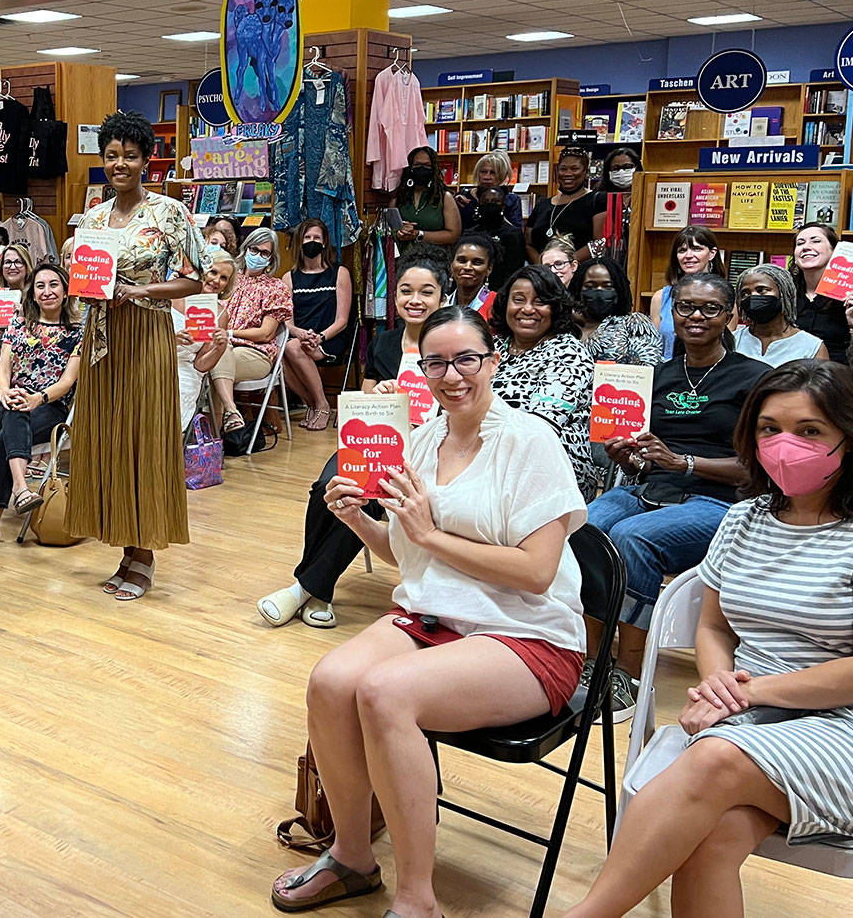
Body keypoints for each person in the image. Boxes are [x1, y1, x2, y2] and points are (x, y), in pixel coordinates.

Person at [270, 305, 587, 918]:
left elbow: (537, 571)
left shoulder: (529, 440)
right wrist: (359, 520)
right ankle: (352, 856)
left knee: (386, 693)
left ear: (493, 361)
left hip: (524, 632)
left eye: (465, 358)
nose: (451, 374)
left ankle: (419, 898)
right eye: (436, 361)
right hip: (436, 618)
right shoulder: (418, 439)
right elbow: (408, 557)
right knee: (330, 681)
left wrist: (431, 534)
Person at [562, 359, 853, 918]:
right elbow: (715, 626)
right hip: (749, 713)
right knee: (712, 838)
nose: (785, 444)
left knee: (713, 762)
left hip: (835, 724)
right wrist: (718, 680)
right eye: (770, 429)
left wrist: (744, 693)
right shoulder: (743, 519)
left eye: (810, 431)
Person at [586, 272, 768, 719]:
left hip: (722, 500)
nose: (696, 317)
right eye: (685, 307)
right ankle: (593, 661)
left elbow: (759, 469)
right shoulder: (657, 376)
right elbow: (646, 460)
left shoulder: (755, 378)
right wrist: (628, 458)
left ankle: (628, 674)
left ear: (731, 316)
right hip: (654, 487)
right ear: (673, 313)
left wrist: (683, 462)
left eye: (710, 308)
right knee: (583, 524)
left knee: (634, 537)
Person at [259, 257, 452, 630]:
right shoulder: (384, 343)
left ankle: (308, 589)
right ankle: (316, 587)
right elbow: (363, 411)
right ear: (393, 297)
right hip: (378, 443)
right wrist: (382, 396)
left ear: (443, 298)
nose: (415, 299)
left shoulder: (449, 344)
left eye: (426, 292)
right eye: (406, 291)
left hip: (431, 447)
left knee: (369, 494)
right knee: (330, 488)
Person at [69, 111, 207, 602]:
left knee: (144, 437)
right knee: (109, 438)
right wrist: (85, 288)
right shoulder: (92, 217)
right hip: (102, 337)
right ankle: (125, 548)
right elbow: (86, 280)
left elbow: (200, 279)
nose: (120, 163)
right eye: (112, 155)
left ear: (147, 159)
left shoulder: (169, 213)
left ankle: (145, 554)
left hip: (147, 331)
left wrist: (142, 288)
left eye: (130, 155)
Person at [0, 263, 83, 550]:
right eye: (40, 286)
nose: (47, 291)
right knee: (12, 410)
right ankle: (21, 489)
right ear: (32, 293)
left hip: (50, 406)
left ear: (65, 290)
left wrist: (39, 398)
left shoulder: (78, 332)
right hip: (8, 400)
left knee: (8, 437)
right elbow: (2, 370)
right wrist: (6, 391)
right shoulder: (18, 324)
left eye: (54, 285)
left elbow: (68, 381)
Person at [490, 264, 596, 497]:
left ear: (556, 308)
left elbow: (540, 426)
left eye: (539, 302)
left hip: (553, 468)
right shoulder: (492, 349)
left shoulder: (569, 353)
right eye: (518, 300)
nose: (527, 309)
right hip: (484, 458)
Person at [208, 226, 291, 434]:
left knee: (214, 361)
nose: (258, 256)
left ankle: (216, 437)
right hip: (221, 345)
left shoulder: (275, 288)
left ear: (271, 259)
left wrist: (230, 334)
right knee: (216, 356)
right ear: (245, 250)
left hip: (256, 353)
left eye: (265, 253)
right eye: (254, 250)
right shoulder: (228, 279)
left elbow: (265, 333)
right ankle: (229, 418)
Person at [284, 219, 353, 431]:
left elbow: (342, 320)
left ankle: (322, 404)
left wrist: (319, 337)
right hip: (299, 336)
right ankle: (312, 403)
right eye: (307, 238)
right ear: (299, 242)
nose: (311, 242)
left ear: (324, 243)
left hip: (330, 337)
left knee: (292, 347)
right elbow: (288, 320)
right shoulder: (289, 278)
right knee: (277, 355)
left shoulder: (339, 273)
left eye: (316, 238)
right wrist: (299, 333)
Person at [174, 250, 234, 432]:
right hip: (155, 356)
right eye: (213, 272)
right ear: (202, 271)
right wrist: (171, 338)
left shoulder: (221, 314)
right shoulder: (173, 293)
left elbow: (200, 365)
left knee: (177, 393)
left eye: (224, 278)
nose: (216, 281)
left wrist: (219, 348)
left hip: (186, 369)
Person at [570, 256, 661, 366]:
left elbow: (647, 370)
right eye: (590, 286)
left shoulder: (634, 323)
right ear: (579, 289)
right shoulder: (566, 325)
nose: (599, 291)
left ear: (619, 290)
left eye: (607, 286)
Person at [651, 225, 721, 360]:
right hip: (667, 374)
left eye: (697, 249)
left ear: (712, 253)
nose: (688, 255)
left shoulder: (725, 298)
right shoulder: (660, 298)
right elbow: (654, 348)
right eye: (682, 250)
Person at [735, 264, 827, 366]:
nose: (753, 297)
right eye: (745, 294)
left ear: (784, 294)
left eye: (761, 290)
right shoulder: (731, 340)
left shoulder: (812, 347)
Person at [526, 146, 604, 264]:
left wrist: (563, 264)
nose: (568, 173)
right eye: (563, 169)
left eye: (574, 169)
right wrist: (545, 267)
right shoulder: (542, 205)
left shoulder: (597, 201)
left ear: (586, 172)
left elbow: (599, 242)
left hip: (578, 271)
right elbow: (528, 244)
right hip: (542, 275)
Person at [791, 222, 851, 362]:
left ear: (835, 250)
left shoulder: (849, 293)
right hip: (790, 375)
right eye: (800, 243)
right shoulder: (785, 292)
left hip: (838, 376)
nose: (806, 247)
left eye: (816, 241)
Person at [391, 146, 461, 248]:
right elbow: (389, 228)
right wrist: (401, 231)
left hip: (436, 257)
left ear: (434, 169)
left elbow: (453, 235)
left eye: (427, 166)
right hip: (404, 256)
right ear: (410, 168)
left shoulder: (445, 197)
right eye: (417, 165)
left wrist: (419, 234)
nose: (422, 169)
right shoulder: (398, 196)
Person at [467, 184, 526, 290]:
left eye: (495, 202)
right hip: (473, 287)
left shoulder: (513, 234)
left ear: (503, 205)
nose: (490, 205)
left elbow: (514, 271)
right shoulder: (470, 233)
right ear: (479, 204)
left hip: (502, 289)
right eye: (486, 202)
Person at [453, 150, 523, 229]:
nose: (486, 177)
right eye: (483, 172)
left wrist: (497, 211)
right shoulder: (463, 196)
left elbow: (516, 232)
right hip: (467, 239)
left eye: (493, 173)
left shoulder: (511, 200)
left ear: (502, 175)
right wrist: (452, 204)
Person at [0, 243, 33, 327]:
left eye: (17, 262)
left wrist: (25, 317)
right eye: (7, 262)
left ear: (26, 266)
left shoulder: (35, 294)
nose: (12, 267)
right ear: (1, 267)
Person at [450, 232, 498, 316]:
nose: (467, 267)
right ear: (451, 265)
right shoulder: (441, 303)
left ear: (489, 269)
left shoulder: (498, 304)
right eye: (462, 261)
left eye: (477, 262)